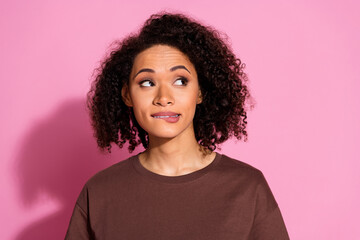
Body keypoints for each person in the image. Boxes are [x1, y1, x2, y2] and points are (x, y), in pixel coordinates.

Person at [65, 12, 289, 240]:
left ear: (200, 91)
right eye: (147, 82)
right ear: (127, 95)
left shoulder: (247, 188)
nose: (164, 97)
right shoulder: (99, 192)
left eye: (180, 81)